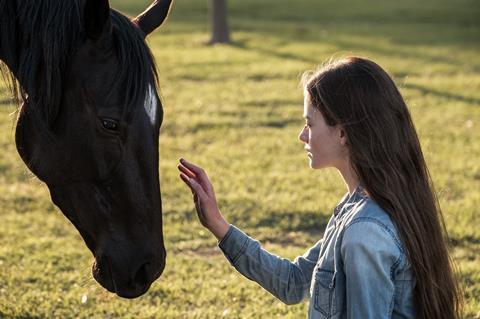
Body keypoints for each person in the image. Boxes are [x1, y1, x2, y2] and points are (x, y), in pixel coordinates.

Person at [177, 56, 462, 319]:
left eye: (309, 124)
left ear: (342, 133)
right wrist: (218, 224)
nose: (302, 136)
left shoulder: (364, 232)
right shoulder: (359, 207)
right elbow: (294, 283)